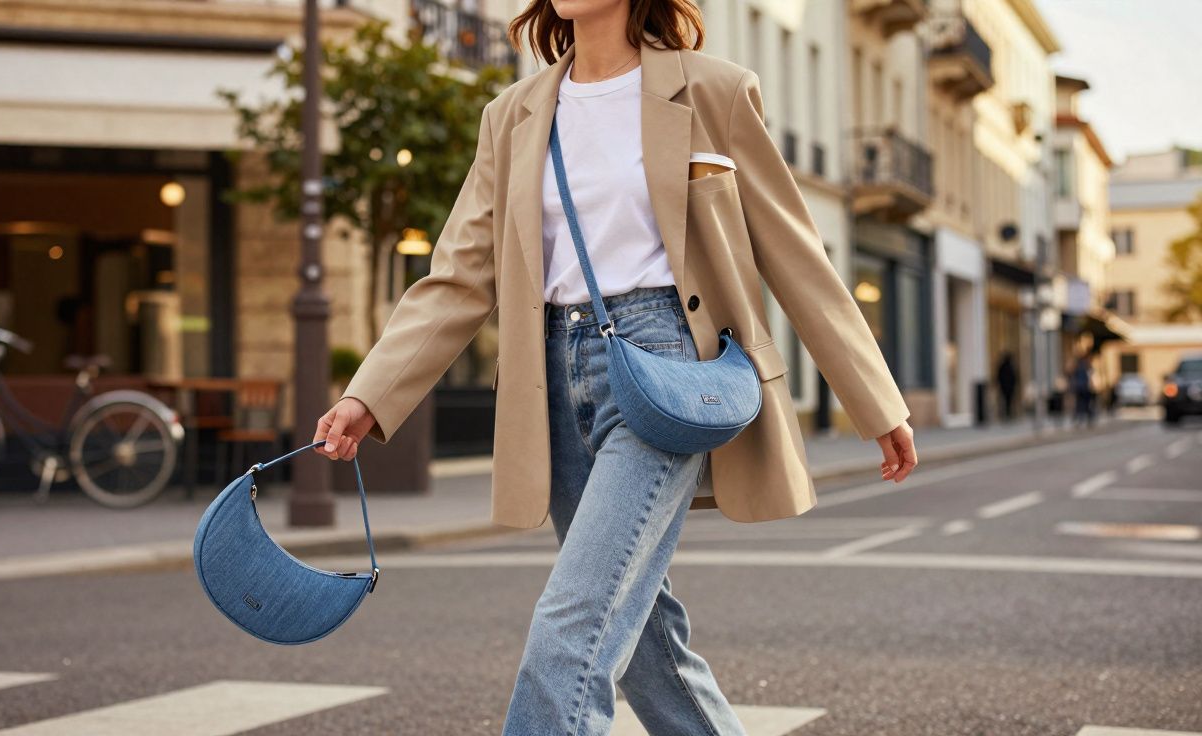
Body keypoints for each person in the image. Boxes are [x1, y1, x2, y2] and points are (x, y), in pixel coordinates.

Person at [313, 3, 918, 733]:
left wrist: (876, 400)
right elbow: (460, 275)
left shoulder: (713, 91)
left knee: (571, 630)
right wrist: (370, 394)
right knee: (643, 643)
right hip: (550, 378)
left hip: (664, 369)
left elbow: (794, 252)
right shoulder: (512, 114)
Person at [1070, 353, 1096, 427]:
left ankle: (1081, 420)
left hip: (1080, 388)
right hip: (1084, 388)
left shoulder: (1079, 367)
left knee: (1080, 405)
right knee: (1085, 404)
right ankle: (1086, 419)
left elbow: (1074, 377)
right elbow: (1089, 378)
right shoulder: (1085, 367)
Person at [996, 351, 1017, 421]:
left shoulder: (1006, 366)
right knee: (1007, 401)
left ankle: (1007, 413)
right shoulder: (1010, 367)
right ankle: (1007, 413)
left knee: (1007, 401)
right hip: (1007, 387)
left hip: (1005, 387)